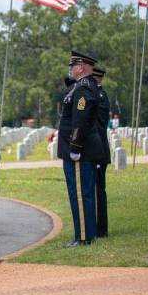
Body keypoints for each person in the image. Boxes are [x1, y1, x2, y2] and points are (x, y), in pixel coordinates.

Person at [58, 50, 105, 247]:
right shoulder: (79, 87)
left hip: (80, 151)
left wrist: (75, 147)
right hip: (80, 149)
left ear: (82, 67)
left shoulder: (83, 89)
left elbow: (81, 120)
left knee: (79, 194)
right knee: (81, 194)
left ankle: (84, 237)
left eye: (72, 66)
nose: (70, 69)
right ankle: (86, 234)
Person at [92, 66, 110, 238]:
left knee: (98, 191)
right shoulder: (98, 95)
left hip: (98, 151)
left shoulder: (99, 96)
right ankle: (98, 227)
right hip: (98, 150)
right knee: (97, 190)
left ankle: (101, 229)